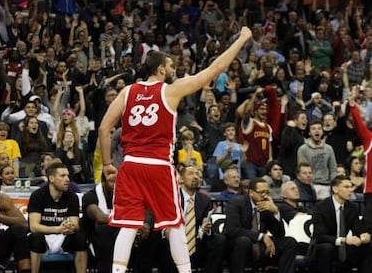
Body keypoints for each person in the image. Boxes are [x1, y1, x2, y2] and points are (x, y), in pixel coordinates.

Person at [98, 27, 252, 273]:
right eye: (170, 66)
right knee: (174, 225)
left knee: (128, 225)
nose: (173, 70)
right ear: (161, 69)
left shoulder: (127, 91)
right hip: (158, 166)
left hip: (130, 166)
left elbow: (105, 127)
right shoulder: (171, 90)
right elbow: (214, 69)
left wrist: (107, 164)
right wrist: (242, 39)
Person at [224, 177, 297, 273]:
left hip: (259, 245)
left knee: (290, 242)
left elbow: (279, 234)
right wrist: (261, 236)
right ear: (251, 193)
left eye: (267, 192)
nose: (264, 195)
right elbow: (232, 230)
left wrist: (275, 212)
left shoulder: (267, 205)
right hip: (237, 245)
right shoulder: (236, 203)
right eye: (261, 192)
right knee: (243, 241)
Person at [161, 165, 226, 272]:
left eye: (197, 174)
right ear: (181, 179)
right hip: (173, 239)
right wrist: (167, 231)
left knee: (219, 240)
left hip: (196, 241)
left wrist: (207, 228)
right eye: (191, 174)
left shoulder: (205, 200)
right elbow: (162, 223)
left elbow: (205, 227)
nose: (195, 177)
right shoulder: (171, 197)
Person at [27, 162, 88, 273]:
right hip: (44, 237)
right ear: (51, 178)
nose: (67, 179)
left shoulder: (72, 196)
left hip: (63, 237)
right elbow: (34, 226)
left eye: (68, 175)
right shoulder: (37, 195)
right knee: (35, 238)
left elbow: (75, 223)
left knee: (80, 237)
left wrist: (70, 227)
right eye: (62, 176)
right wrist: (57, 229)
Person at [312, 175, 372, 273]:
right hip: (325, 244)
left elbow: (358, 229)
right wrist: (343, 240)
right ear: (335, 189)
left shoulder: (352, 207)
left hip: (344, 246)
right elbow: (319, 235)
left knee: (367, 246)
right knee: (327, 248)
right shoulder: (321, 207)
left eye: (351, 187)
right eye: (346, 187)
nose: (350, 190)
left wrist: (364, 235)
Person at [297, 120, 338, 200]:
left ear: (322, 132)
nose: (317, 130)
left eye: (319, 128)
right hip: (309, 185)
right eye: (313, 129)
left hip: (326, 185)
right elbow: (302, 170)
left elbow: (333, 169)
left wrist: (334, 186)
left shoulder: (329, 149)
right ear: (309, 133)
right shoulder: (303, 149)